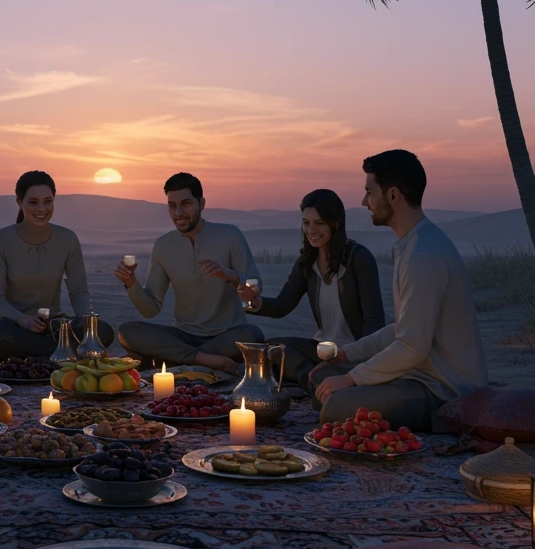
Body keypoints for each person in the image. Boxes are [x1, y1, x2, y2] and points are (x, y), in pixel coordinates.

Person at [306, 150, 489, 431]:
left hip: (444, 390)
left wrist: (351, 379)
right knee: (324, 378)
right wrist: (345, 355)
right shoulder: (413, 245)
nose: (364, 202)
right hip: (416, 375)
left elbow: (411, 347)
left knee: (336, 405)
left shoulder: (423, 255)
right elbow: (402, 329)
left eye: (370, 193)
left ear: (393, 195)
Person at [115, 173, 264, 372]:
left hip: (227, 334)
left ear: (201, 204)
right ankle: (203, 359)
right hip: (184, 335)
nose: (178, 212)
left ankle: (174, 359)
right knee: (128, 331)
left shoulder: (230, 235)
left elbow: (255, 286)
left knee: (253, 334)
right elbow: (150, 310)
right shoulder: (163, 245)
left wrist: (231, 276)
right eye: (172, 205)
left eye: (185, 204)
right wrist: (131, 283)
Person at [238, 189, 385, 383]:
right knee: (271, 350)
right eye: (306, 223)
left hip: (354, 353)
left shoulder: (359, 258)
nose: (311, 230)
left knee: (297, 367)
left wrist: (363, 360)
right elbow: (282, 306)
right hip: (323, 348)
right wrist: (254, 301)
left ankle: (318, 380)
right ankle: (315, 380)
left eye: (319, 223)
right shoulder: (307, 262)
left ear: (336, 223)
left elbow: (374, 319)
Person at [0, 170, 115, 362]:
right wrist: (23, 320)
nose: (41, 209)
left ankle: (45, 356)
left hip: (53, 327)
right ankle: (63, 355)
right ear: (19, 202)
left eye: (47, 201)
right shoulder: (1, 240)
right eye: (33, 202)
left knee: (103, 330)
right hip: (12, 325)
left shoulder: (67, 239)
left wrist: (88, 326)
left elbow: (79, 291)